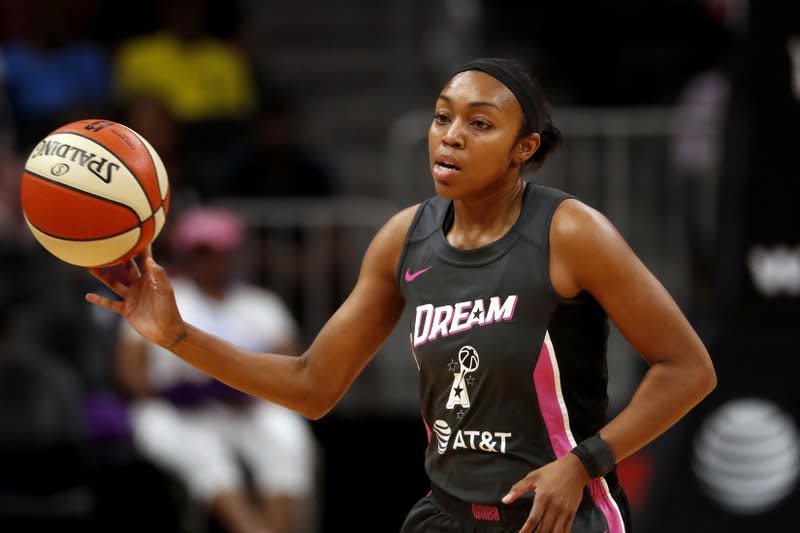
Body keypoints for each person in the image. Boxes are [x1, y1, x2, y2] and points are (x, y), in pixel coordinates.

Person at [86, 57, 717, 533]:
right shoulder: (403, 239)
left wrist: (585, 462)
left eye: (480, 124)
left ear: (524, 149)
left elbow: (688, 367)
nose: (451, 135)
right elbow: (312, 384)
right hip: (442, 514)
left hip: (554, 516)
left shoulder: (569, 232)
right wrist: (175, 336)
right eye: (443, 117)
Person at [113, 207, 319, 533]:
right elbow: (131, 375)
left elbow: (293, 367)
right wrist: (181, 390)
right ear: (186, 254)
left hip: (249, 407)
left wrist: (243, 385)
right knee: (205, 455)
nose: (212, 261)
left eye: (220, 253)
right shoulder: (161, 299)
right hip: (179, 411)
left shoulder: (261, 304)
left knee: (285, 435)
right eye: (202, 253)